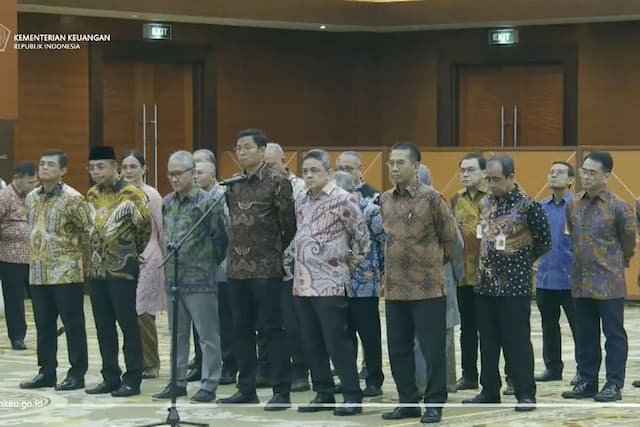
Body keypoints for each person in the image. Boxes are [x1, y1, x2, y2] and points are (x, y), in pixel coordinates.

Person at [463, 154, 551, 412]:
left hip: (514, 285)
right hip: (485, 284)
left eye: (496, 179)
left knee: (517, 341)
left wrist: (520, 260)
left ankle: (525, 393)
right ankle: (489, 390)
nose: (491, 184)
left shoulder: (528, 206)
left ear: (511, 177)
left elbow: (544, 241)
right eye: (488, 179)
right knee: (488, 341)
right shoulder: (487, 203)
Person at [217, 129, 296, 411]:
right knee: (241, 329)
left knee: (271, 330)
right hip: (236, 269)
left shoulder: (277, 182)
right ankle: (246, 388)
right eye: (238, 148)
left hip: (266, 268)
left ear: (262, 151)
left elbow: (289, 225)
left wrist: (270, 250)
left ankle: (281, 390)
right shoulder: (233, 184)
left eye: (247, 147)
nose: (241, 152)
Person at [380, 142, 457, 424]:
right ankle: (407, 401)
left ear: (416, 166)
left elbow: (450, 241)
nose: (394, 168)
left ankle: (434, 403)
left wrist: (430, 265)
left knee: (432, 349)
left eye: (400, 163)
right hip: (395, 289)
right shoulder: (385, 199)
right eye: (391, 163)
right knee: (398, 349)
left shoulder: (432, 198)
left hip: (427, 289)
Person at [294, 151, 369, 416]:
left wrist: (349, 263)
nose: (309, 175)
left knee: (337, 341)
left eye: (315, 170)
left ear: (328, 172)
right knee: (311, 341)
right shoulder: (301, 199)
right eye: (305, 171)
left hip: (331, 282)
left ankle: (352, 395)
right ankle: (323, 393)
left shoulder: (343, 199)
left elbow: (362, 237)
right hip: (302, 281)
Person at [153, 151, 228, 403]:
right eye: (170, 174)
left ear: (192, 174)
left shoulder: (207, 202)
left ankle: (209, 384)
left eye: (178, 174)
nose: (174, 179)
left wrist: (206, 263)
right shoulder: (167, 202)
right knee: (177, 335)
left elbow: (222, 240)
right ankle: (177, 382)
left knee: (207, 336)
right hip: (173, 278)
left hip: (200, 279)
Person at [562, 151, 636, 402]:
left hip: (609, 282)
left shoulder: (619, 207)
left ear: (606, 176)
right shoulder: (573, 204)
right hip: (581, 280)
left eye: (592, 173)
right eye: (584, 171)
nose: (586, 177)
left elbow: (629, 242)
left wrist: (615, 263)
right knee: (585, 335)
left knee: (613, 335)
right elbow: (572, 236)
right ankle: (587, 380)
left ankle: (614, 383)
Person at [20, 150, 91, 392]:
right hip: (38, 271)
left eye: (51, 164)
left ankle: (77, 373)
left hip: (66, 272)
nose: (44, 168)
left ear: (63, 170)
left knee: (73, 325)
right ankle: (46, 372)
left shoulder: (74, 198)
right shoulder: (31, 197)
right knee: (44, 325)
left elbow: (87, 232)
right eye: (42, 164)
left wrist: (85, 262)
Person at [85, 145, 151, 397]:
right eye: (92, 168)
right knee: (103, 327)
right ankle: (110, 376)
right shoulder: (91, 194)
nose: (95, 172)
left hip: (123, 270)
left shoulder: (132, 193)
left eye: (100, 167)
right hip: (97, 270)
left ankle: (133, 378)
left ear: (114, 167)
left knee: (128, 325)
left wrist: (129, 252)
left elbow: (144, 229)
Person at [333, 171, 385, 398]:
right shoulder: (331, 212)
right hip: (338, 283)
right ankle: (349, 380)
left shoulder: (370, 211)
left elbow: (385, 243)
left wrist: (383, 275)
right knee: (344, 335)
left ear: (352, 191)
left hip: (365, 284)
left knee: (369, 335)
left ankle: (374, 380)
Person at [263, 142, 310, 392]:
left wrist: (284, 258)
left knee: (294, 323)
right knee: (268, 323)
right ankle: (271, 370)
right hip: (264, 267)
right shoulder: (259, 186)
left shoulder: (299, 187)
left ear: (284, 161)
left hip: (293, 267)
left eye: (271, 165)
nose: (268, 170)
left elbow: (299, 228)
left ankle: (300, 371)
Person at [413, 165, 463, 395]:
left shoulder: (437, 204)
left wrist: (453, 271)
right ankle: (428, 382)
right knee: (426, 333)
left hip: (438, 276)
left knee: (440, 332)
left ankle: (437, 383)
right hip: (417, 280)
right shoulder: (399, 204)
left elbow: (455, 243)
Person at [191, 150, 236, 386]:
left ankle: (228, 366)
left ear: (213, 173)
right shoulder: (193, 197)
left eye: (200, 172)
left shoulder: (222, 196)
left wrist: (213, 260)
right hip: (196, 271)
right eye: (193, 172)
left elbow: (226, 234)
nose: (195, 176)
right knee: (199, 322)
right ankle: (201, 364)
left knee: (223, 322)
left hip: (221, 268)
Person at [121, 152, 166, 380]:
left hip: (148, 257)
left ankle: (151, 363)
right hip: (124, 260)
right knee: (127, 313)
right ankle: (135, 362)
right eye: (125, 167)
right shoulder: (119, 195)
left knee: (144, 312)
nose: (128, 171)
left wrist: (159, 259)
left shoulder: (152, 195)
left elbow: (161, 230)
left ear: (144, 168)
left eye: (133, 166)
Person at [535, 162, 579, 384]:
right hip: (545, 277)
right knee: (549, 326)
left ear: (570, 180)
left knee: (579, 327)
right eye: (551, 172)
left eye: (559, 172)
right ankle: (552, 367)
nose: (553, 175)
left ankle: (583, 369)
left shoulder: (578, 206)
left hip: (571, 279)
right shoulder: (541, 207)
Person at [449, 153, 489, 391]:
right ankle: (469, 375)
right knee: (467, 328)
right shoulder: (455, 199)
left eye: (471, 170)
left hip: (490, 275)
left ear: (484, 172)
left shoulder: (493, 198)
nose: (465, 174)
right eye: (462, 170)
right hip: (464, 274)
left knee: (492, 329)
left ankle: (501, 377)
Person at [0, 162, 39, 350]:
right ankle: (17, 337)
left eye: (35, 182)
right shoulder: (4, 196)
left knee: (40, 296)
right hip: (11, 257)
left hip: (34, 256)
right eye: (30, 182)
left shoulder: (34, 196)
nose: (34, 185)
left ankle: (46, 330)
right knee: (14, 299)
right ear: (17, 178)